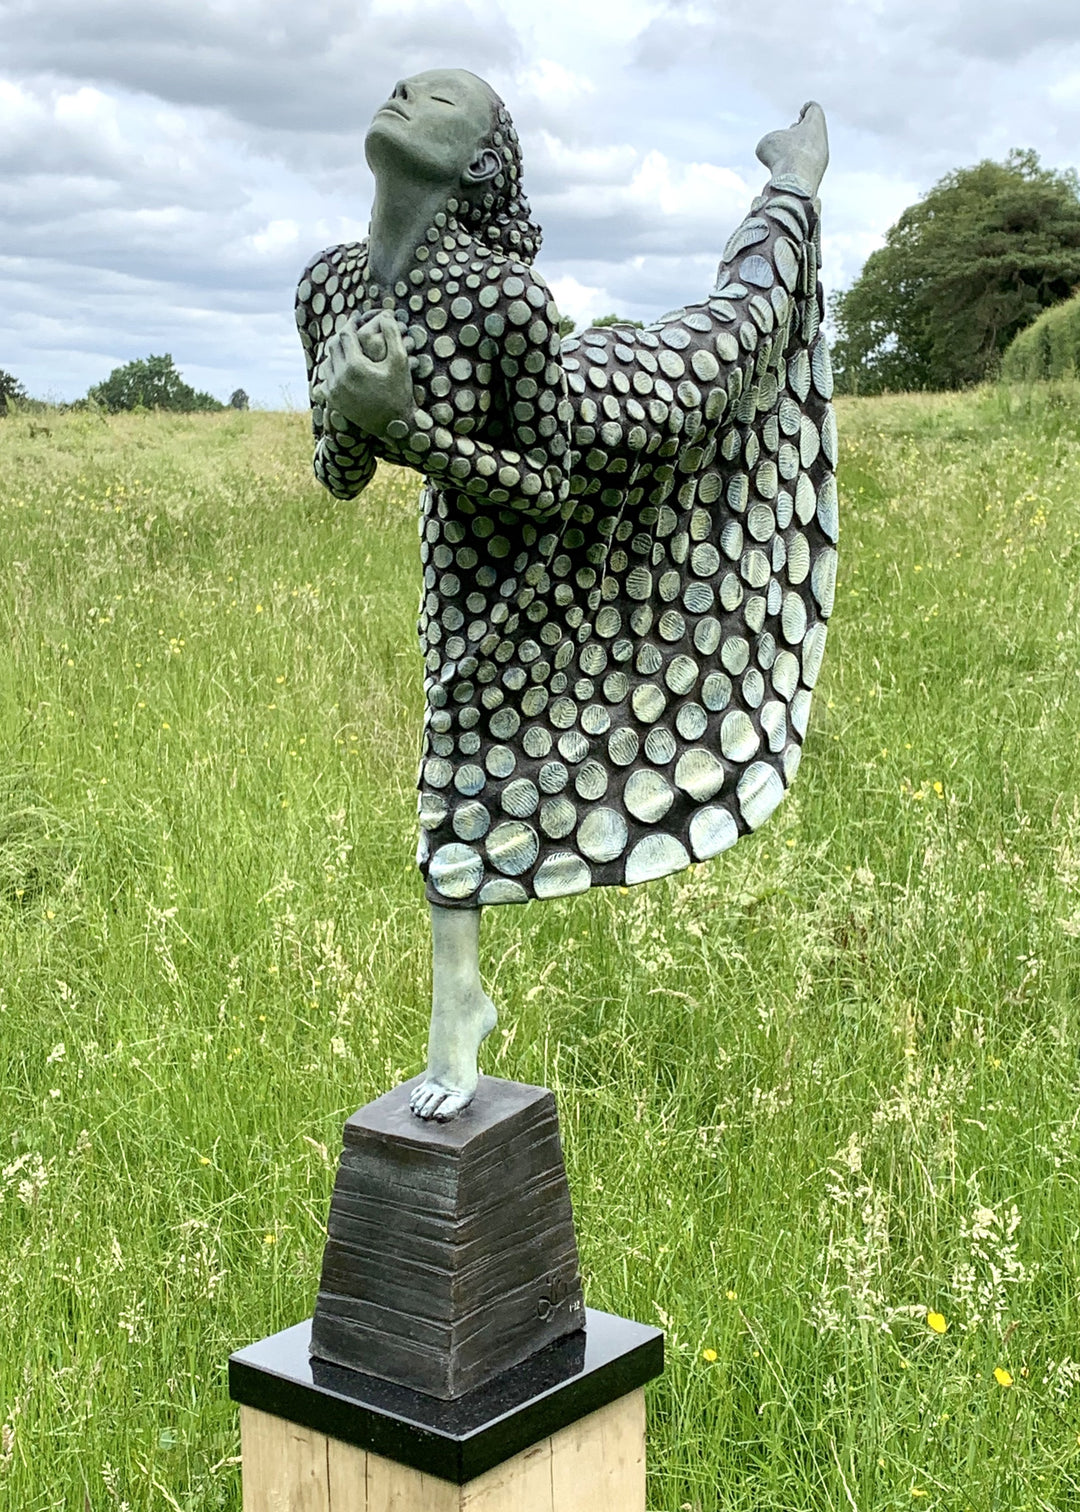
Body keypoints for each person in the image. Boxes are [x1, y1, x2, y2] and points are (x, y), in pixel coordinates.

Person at [297, 70, 834, 1121]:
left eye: (443, 99)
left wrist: (406, 429)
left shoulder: (509, 306)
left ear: (477, 162)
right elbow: (336, 472)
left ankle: (795, 185)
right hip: (462, 542)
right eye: (410, 84)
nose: (408, 91)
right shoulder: (328, 287)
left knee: (727, 342)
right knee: (455, 745)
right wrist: (361, 421)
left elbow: (548, 487)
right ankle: (463, 1013)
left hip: (594, 436)